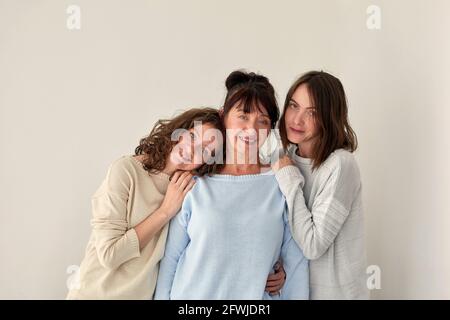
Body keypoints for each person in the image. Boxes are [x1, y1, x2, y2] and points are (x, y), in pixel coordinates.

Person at [154, 71, 309, 300]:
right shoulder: (194, 184)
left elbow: (296, 266)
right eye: (243, 116)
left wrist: (281, 272)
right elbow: (170, 262)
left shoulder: (281, 184)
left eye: (262, 121)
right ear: (223, 117)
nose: (251, 129)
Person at [273, 71, 368, 299]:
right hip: (296, 291)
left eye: (312, 112)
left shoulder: (340, 165)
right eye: (294, 106)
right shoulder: (285, 158)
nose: (296, 120)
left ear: (329, 117)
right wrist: (279, 267)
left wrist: (289, 178)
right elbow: (287, 231)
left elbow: (312, 245)